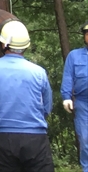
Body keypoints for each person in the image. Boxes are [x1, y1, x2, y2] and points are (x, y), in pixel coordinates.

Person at [0, 20, 55, 172]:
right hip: (35, 138)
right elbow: (47, 106)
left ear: (4, 44)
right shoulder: (38, 72)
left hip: (3, 138)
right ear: (26, 46)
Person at [61, 22, 88, 172]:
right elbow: (68, 77)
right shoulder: (74, 56)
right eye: (87, 34)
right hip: (83, 103)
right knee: (85, 140)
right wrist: (66, 97)